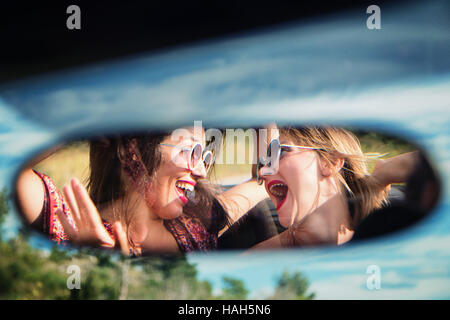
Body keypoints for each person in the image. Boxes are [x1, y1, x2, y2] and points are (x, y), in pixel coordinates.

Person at [16, 127, 233, 255]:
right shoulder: (69, 225)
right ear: (134, 151)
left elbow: (259, 186)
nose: (202, 171)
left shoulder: (198, 223)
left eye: (204, 156)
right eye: (190, 151)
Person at [248, 125, 420, 249]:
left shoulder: (385, 237)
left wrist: (384, 173)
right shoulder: (259, 259)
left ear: (330, 162)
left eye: (281, 151)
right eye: (264, 162)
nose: (263, 171)